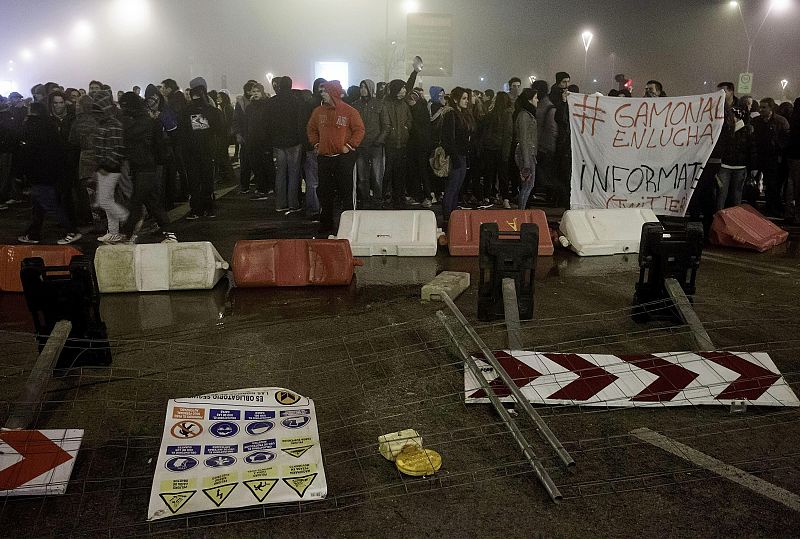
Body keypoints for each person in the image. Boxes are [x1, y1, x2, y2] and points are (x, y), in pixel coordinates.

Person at [17, 102, 82, 244]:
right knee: (39, 203)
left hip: (39, 172)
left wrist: (22, 172)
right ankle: (33, 234)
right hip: (53, 170)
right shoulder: (50, 126)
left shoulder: (31, 126)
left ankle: (71, 230)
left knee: (47, 203)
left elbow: (28, 152)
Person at [306, 80, 365, 236]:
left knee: (346, 192)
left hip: (344, 158)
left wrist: (349, 146)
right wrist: (316, 144)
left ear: (333, 93)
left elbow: (359, 130)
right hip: (325, 157)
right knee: (325, 192)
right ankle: (326, 224)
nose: (322, 93)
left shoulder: (349, 111)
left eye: (325, 91)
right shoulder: (318, 112)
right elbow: (311, 129)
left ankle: (350, 224)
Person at [118, 92, 177, 243]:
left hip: (145, 167)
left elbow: (130, 135)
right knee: (152, 203)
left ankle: (127, 234)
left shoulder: (141, 122)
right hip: (145, 166)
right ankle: (170, 234)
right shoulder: (146, 120)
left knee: (137, 201)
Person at [179, 77, 223, 219]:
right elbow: (219, 130)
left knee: (194, 181)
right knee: (207, 180)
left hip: (191, 152)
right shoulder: (212, 111)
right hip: (207, 150)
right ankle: (208, 207)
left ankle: (196, 209)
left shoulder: (185, 111)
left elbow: (182, 132)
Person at [91, 90, 128, 243]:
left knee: (104, 200)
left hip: (110, 169)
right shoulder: (104, 123)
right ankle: (114, 232)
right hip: (104, 167)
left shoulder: (113, 125)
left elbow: (117, 149)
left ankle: (127, 217)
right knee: (106, 200)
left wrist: (106, 165)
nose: (96, 113)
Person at [266, 76, 305, 213]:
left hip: (277, 142)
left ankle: (280, 203)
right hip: (294, 142)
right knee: (294, 173)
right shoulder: (296, 102)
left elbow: (268, 124)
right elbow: (300, 123)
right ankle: (293, 203)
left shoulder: (271, 102)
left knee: (280, 173)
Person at [441, 87, 475, 223]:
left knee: (457, 188)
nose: (467, 101)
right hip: (456, 156)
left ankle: (453, 217)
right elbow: (448, 139)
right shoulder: (451, 114)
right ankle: (447, 218)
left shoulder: (463, 114)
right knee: (451, 188)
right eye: (464, 98)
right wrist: (455, 157)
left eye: (467, 98)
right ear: (456, 99)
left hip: (462, 155)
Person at [352, 78, 388, 208]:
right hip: (361, 146)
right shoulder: (355, 105)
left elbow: (386, 125)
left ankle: (378, 199)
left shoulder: (379, 104)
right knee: (363, 177)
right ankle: (365, 199)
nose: (362, 89)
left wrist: (379, 141)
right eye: (361, 87)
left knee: (377, 175)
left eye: (365, 87)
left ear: (370, 89)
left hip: (375, 145)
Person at [752, 97, 790, 217]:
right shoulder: (756, 121)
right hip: (758, 156)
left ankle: (772, 207)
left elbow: (785, 139)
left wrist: (778, 151)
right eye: (760, 107)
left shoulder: (780, 121)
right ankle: (752, 206)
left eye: (764, 107)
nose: (761, 109)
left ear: (771, 108)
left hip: (773, 158)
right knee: (753, 183)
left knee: (772, 184)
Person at [716, 107, 756, 211]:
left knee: (736, 195)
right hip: (726, 166)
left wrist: (753, 168)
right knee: (722, 194)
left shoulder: (747, 130)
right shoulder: (726, 130)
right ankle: (720, 216)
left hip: (739, 167)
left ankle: (734, 217)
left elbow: (751, 150)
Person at [479, 91, 513, 207]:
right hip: (501, 148)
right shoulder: (507, 115)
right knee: (503, 175)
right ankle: (505, 199)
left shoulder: (490, 114)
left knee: (489, 174)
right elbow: (508, 135)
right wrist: (506, 153)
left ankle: (487, 196)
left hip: (489, 148)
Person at [513, 88, 539, 210]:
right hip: (526, 153)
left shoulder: (528, 114)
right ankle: (521, 211)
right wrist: (527, 163)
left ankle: (522, 210)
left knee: (528, 184)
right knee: (527, 185)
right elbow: (523, 138)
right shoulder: (524, 115)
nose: (537, 100)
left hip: (528, 153)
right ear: (529, 100)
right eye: (535, 98)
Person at [786, 97, 800, 224]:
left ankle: (791, 213)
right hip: (796, 155)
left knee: (792, 185)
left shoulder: (793, 118)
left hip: (793, 154)